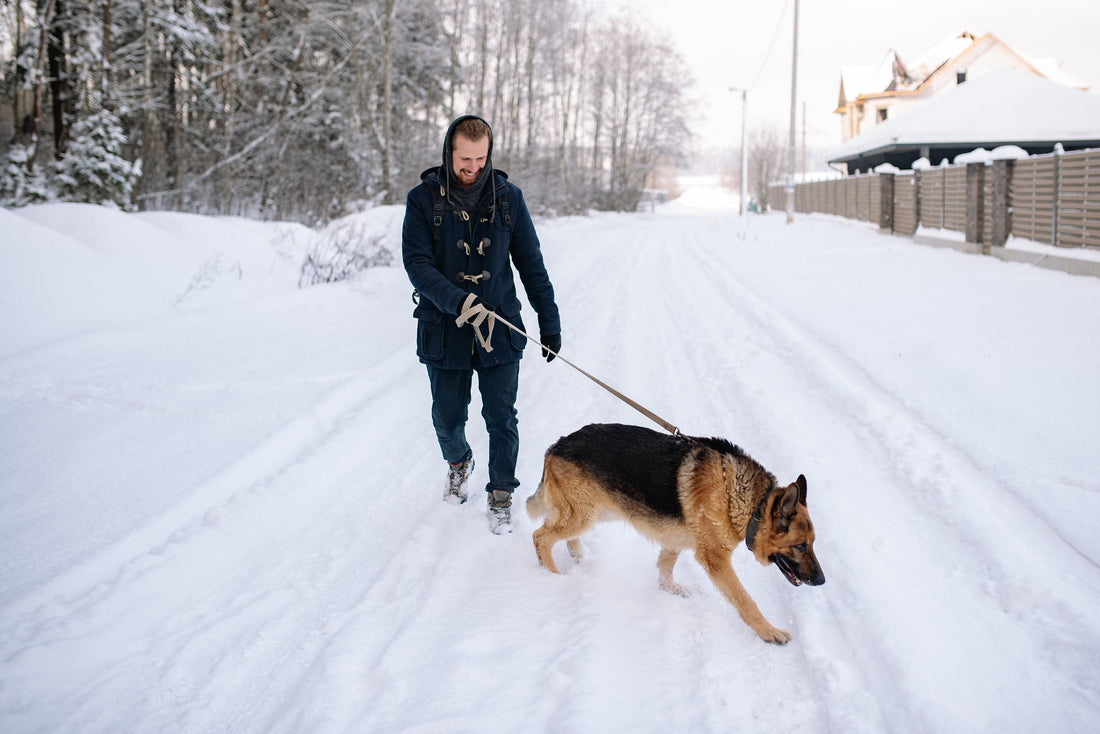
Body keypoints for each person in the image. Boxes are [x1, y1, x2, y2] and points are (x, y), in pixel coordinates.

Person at [402, 115, 561, 534]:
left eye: (479, 159)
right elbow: (416, 264)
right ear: (448, 153)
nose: (472, 168)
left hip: (500, 328)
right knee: (447, 418)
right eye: (463, 160)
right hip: (444, 328)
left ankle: (501, 493)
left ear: (489, 154)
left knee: (501, 418)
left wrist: (550, 320)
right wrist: (459, 301)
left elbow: (531, 263)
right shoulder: (423, 200)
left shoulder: (509, 198)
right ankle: (459, 462)